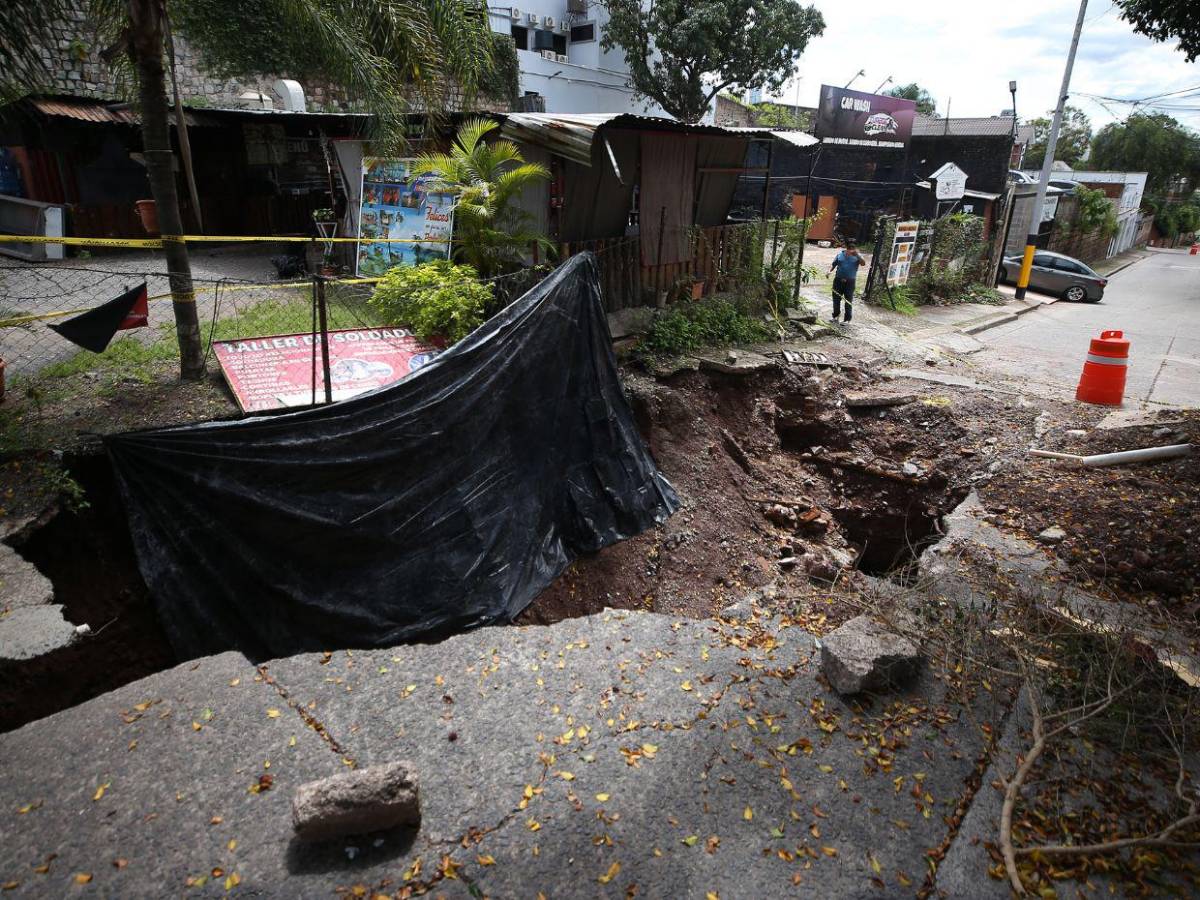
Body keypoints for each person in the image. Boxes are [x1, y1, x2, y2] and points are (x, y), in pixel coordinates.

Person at [828, 240, 866, 323]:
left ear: (855, 248)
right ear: (846, 247)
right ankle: (835, 316)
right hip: (838, 280)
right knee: (836, 300)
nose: (851, 249)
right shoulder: (840, 254)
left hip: (850, 282)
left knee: (848, 301)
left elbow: (863, 263)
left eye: (853, 248)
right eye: (849, 247)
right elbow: (834, 264)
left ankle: (847, 319)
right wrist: (829, 271)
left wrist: (857, 255)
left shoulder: (857, 256)